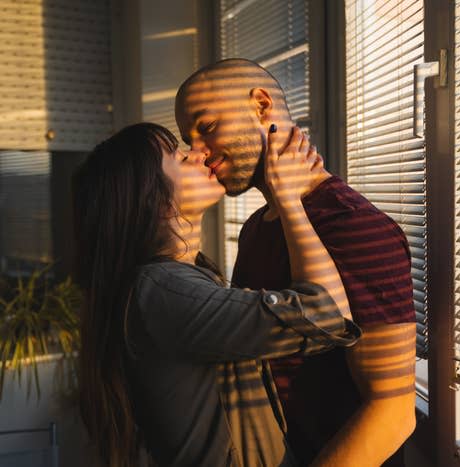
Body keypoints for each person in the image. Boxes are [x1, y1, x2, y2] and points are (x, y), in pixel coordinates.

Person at [72, 122, 361, 467]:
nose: (200, 153)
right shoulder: (163, 292)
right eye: (179, 157)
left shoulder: (178, 281)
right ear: (154, 201)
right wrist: (289, 200)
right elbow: (328, 315)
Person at [176, 59, 416, 466]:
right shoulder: (256, 228)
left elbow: (391, 412)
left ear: (261, 105)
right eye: (189, 139)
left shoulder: (352, 225)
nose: (198, 152)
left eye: (207, 127)